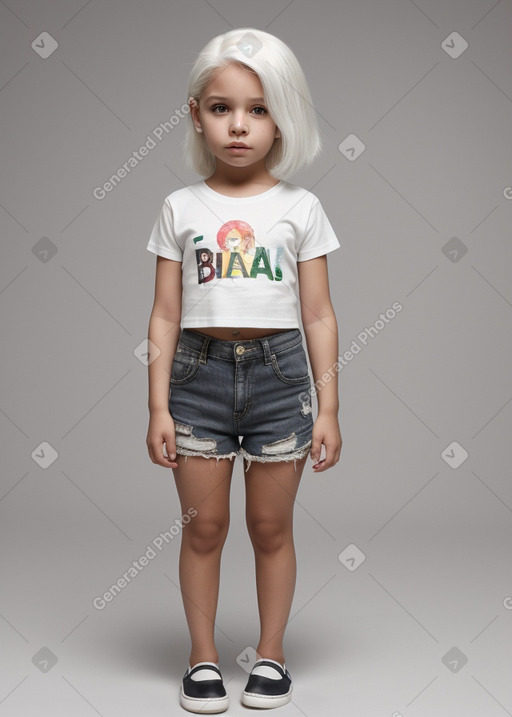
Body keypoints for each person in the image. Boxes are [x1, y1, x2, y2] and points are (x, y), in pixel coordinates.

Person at [146, 27, 342, 713]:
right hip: (196, 379)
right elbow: (165, 316)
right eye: (223, 107)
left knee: (270, 527)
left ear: (284, 117)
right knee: (204, 527)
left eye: (258, 108)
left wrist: (329, 408)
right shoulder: (179, 207)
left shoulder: (301, 209)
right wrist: (157, 407)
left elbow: (317, 314)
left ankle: (271, 654)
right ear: (196, 114)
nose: (239, 124)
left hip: (279, 377)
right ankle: (202, 658)